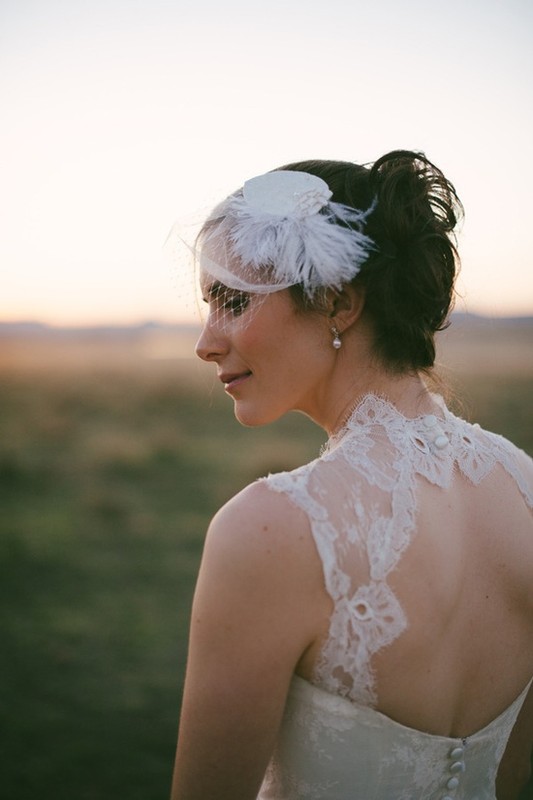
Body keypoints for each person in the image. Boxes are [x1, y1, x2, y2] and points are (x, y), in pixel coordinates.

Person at [169, 151, 533, 800]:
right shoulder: (523, 490)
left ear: (338, 301)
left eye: (230, 299)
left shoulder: (270, 530)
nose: (205, 342)